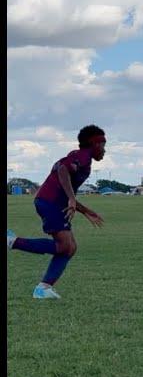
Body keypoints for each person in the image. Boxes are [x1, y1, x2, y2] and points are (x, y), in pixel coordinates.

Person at [7, 125, 107, 298]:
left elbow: (66, 186)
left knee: (69, 248)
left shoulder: (80, 158)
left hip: (52, 202)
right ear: (93, 143)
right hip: (50, 202)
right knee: (65, 246)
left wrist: (86, 211)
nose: (104, 150)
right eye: (103, 144)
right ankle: (12, 242)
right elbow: (62, 170)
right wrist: (72, 198)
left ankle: (44, 287)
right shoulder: (81, 156)